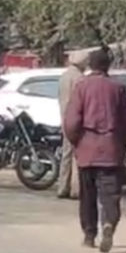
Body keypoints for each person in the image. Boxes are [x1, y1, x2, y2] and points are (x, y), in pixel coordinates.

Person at [63, 49, 126, 253]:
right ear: (108, 65)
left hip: (87, 149)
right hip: (111, 149)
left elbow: (71, 121)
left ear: (90, 65)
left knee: (88, 196)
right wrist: (122, 143)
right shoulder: (117, 88)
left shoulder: (81, 87)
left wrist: (76, 141)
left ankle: (89, 234)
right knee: (110, 194)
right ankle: (109, 222)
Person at [57, 50, 90, 199]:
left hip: (64, 118)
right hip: (77, 119)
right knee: (77, 155)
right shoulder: (80, 78)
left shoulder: (64, 76)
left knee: (66, 153)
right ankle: (76, 189)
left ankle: (63, 186)